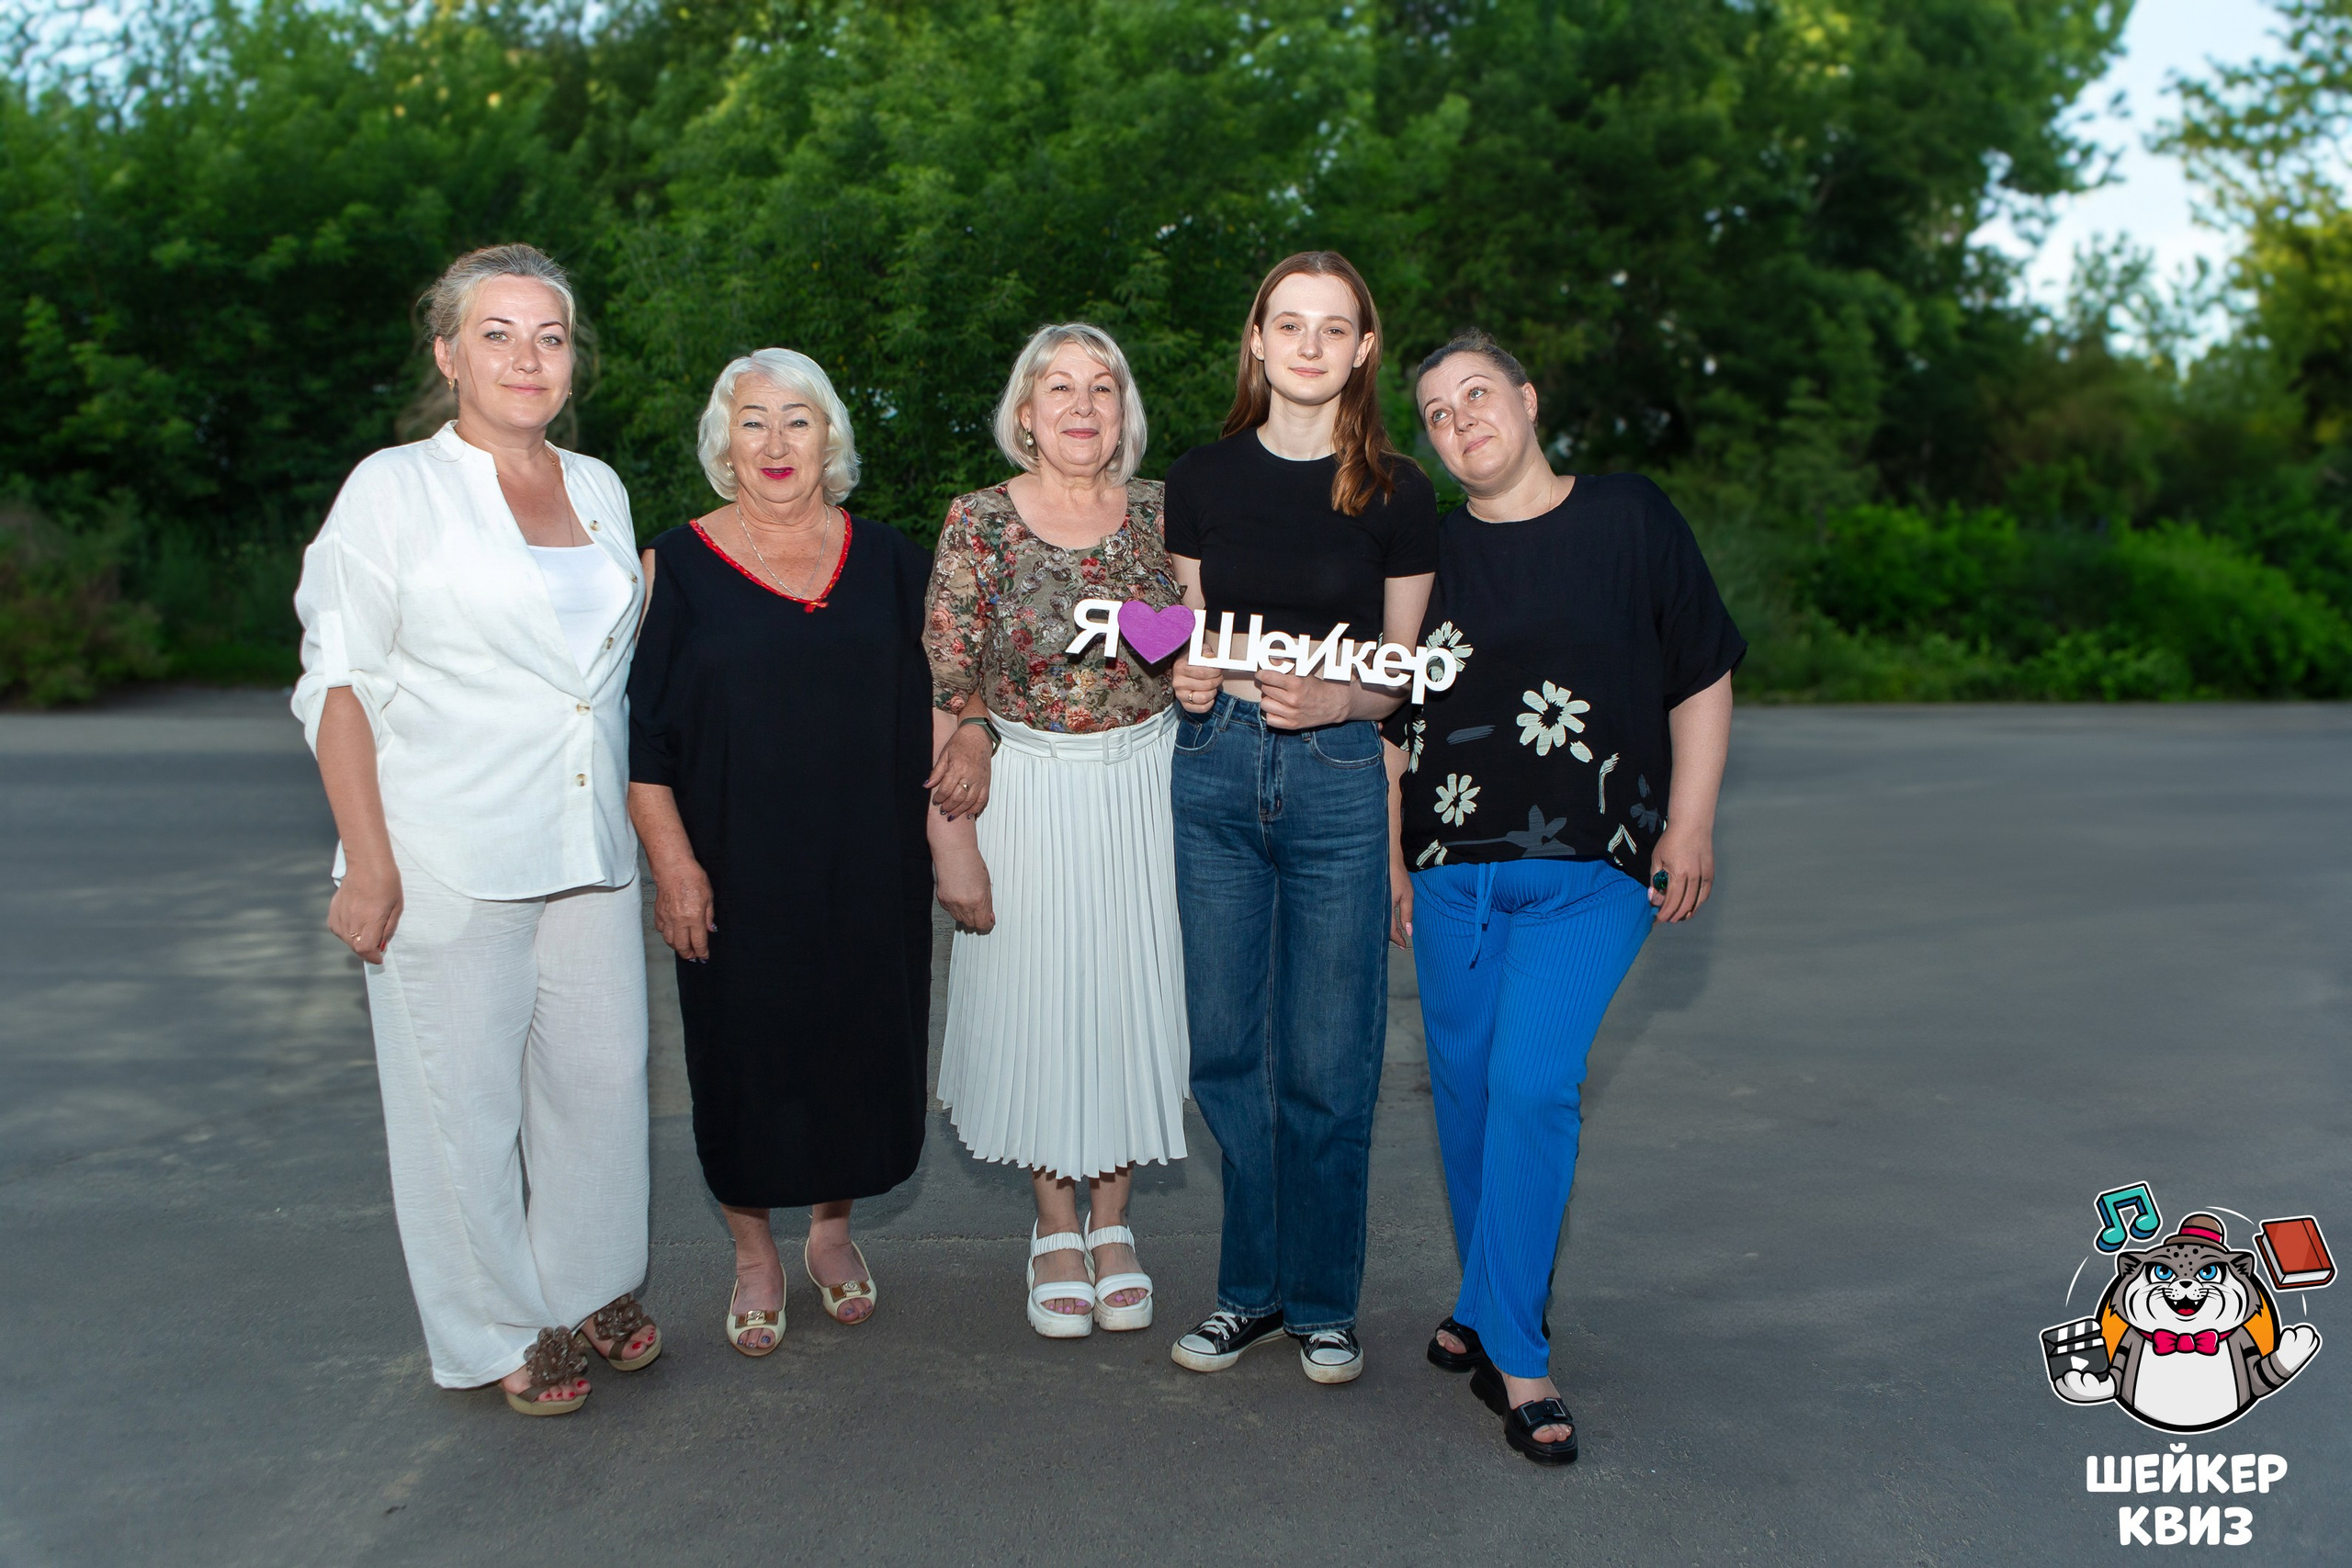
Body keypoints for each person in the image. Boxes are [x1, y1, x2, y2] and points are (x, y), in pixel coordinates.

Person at [292, 243, 661, 1417]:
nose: (526, 356)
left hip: (584, 846)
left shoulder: (598, 486)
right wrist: (371, 859)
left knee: (602, 1083)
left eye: (548, 336)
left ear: (572, 362)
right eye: (496, 333)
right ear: (449, 354)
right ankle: (499, 1325)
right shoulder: (393, 488)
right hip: (444, 851)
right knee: (463, 1105)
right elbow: (337, 681)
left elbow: (603, 667)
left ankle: (588, 1283)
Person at [1393, 331, 1742, 1463]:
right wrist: (1397, 864)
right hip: (1450, 876)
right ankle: (1481, 1303)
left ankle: (1518, 1357)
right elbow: (1396, 716)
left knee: (1531, 1082)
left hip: (1598, 870)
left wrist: (1688, 822)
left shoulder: (1629, 517)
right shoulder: (1426, 551)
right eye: (1437, 414)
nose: (1460, 423)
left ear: (1529, 401)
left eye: (1477, 396)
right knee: (1464, 1096)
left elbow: (1699, 668)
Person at [1161, 252, 1439, 1384]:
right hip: (1213, 766)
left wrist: (1343, 698)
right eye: (1289, 324)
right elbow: (1188, 635)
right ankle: (1249, 1293)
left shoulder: (1399, 493)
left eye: (1335, 328)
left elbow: (1404, 674)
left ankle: (1322, 1302)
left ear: (1364, 351)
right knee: (1228, 1050)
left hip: (1333, 775)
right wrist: (1183, 678)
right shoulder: (1201, 474)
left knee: (1328, 1060)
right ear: (1257, 341)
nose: (1310, 345)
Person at [627, 349, 935, 1356]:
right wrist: (674, 864)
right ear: (724, 442)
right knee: (745, 1058)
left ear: (830, 438)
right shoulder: (673, 563)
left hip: (869, 864)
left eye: (796, 421)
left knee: (853, 1047)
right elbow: (638, 738)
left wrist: (970, 740)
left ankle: (832, 1236)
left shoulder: (891, 558)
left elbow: (946, 696)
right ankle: (755, 1252)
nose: (774, 443)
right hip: (733, 870)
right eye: (752, 422)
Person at [923, 323, 1189, 1338]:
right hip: (1023, 787)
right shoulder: (980, 522)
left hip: (1147, 786)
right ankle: (1052, 1227)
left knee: (1128, 995)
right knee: (1037, 998)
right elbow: (948, 684)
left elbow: (1206, 644)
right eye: (1059, 388)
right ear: (1024, 413)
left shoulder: (1168, 514)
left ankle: (1113, 1226)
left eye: (1103, 388)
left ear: (1123, 410)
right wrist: (951, 837)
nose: (1082, 406)